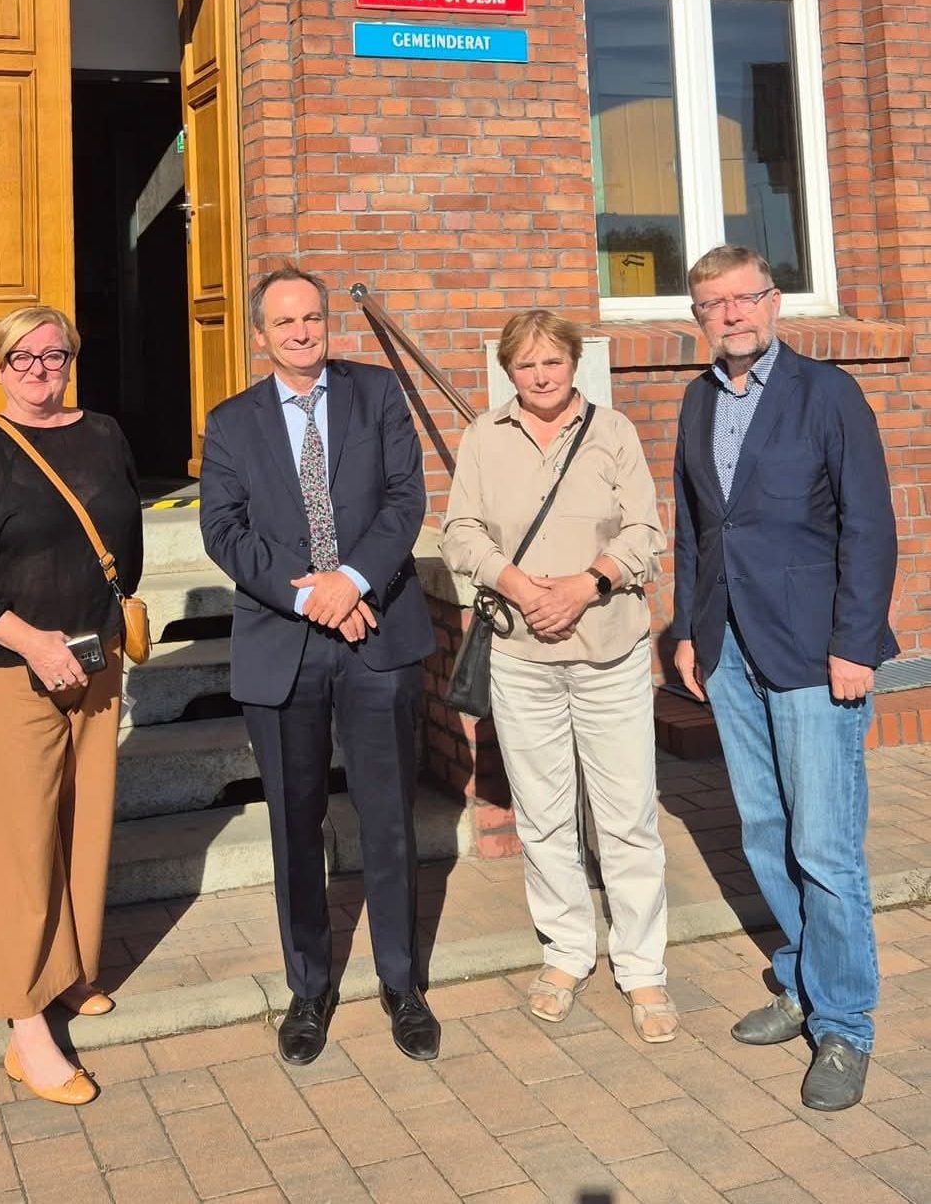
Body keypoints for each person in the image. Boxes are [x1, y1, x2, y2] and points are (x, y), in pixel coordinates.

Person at [672, 244, 898, 1110]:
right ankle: (800, 982)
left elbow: (867, 527)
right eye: (713, 305)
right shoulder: (696, 402)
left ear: (773, 303)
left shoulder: (827, 395)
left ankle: (844, 1024)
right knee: (764, 830)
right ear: (698, 318)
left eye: (744, 298)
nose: (731, 315)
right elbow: (698, 527)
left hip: (812, 651)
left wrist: (853, 642)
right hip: (729, 651)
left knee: (825, 843)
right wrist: (692, 635)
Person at [199, 265, 440, 1066]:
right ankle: (310, 987)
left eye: (313, 318)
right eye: (285, 323)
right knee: (294, 825)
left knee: (388, 819)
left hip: (376, 633)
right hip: (284, 643)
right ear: (260, 337)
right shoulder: (231, 422)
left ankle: (402, 983)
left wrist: (351, 580)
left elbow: (406, 497)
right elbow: (225, 532)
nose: (303, 332)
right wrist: (309, 598)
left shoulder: (375, 394)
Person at [442, 311, 678, 1043]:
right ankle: (567, 950)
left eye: (551, 362)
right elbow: (460, 531)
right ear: (507, 371)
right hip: (519, 654)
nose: (540, 376)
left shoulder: (612, 432)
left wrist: (584, 585)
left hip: (606, 647)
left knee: (626, 816)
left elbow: (645, 530)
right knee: (543, 815)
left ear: (573, 363)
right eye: (524, 365)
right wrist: (520, 586)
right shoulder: (485, 436)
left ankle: (642, 966)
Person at [0, 306, 142, 1107]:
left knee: (83, 824)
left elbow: (123, 540)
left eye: (53, 354)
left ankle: (66, 972)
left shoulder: (106, 435)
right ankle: (25, 1024)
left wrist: (96, 633)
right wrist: (33, 639)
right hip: (9, 668)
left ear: (72, 359)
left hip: (93, 660)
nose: (39, 367)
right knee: (17, 843)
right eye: (21, 356)